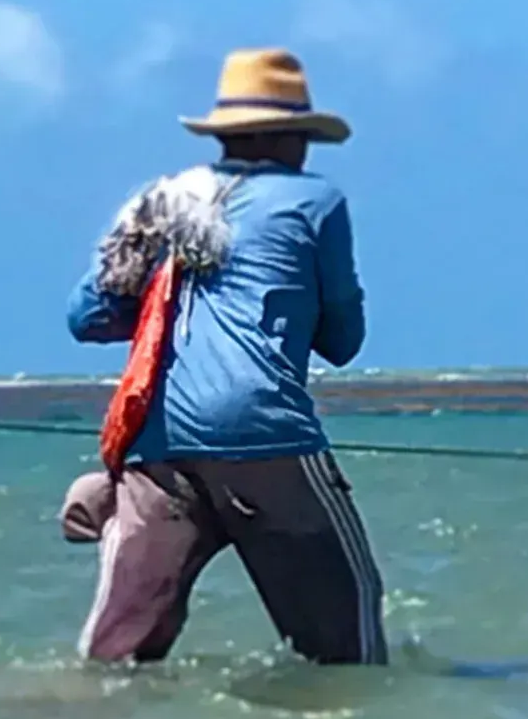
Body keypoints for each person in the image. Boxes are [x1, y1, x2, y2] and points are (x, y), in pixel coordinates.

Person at [60, 46, 388, 667]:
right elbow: (344, 343)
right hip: (263, 436)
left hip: (158, 445)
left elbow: (87, 316)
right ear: (290, 138)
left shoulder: (162, 200)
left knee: (117, 657)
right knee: (350, 640)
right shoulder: (314, 202)